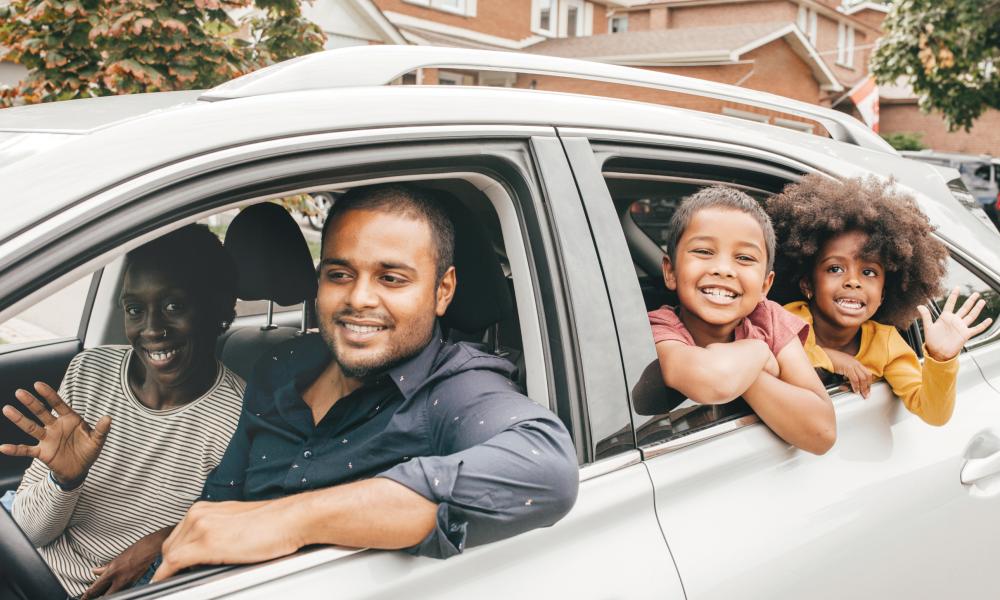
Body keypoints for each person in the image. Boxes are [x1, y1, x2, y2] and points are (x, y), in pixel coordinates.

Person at [149, 184, 579, 582]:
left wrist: (290, 520)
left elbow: (547, 467)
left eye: (391, 278)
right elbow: (222, 501)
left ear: (443, 290)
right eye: (339, 274)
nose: (358, 299)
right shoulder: (280, 366)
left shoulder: (453, 388)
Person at [0, 225, 245, 598]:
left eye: (173, 306)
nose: (151, 328)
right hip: (20, 563)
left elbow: (227, 535)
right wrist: (64, 481)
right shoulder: (90, 371)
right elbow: (29, 531)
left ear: (217, 307)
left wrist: (165, 540)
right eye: (135, 309)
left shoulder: (237, 416)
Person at [767, 175, 993, 426]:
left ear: (884, 293)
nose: (853, 281)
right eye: (835, 269)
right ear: (807, 284)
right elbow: (768, 357)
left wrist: (940, 359)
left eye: (869, 272)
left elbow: (933, 413)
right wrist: (832, 358)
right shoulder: (788, 318)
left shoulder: (884, 344)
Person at [648, 186, 836, 455]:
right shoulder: (660, 328)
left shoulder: (769, 319)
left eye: (744, 258)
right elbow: (711, 380)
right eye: (703, 251)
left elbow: (823, 433)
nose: (723, 269)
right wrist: (758, 352)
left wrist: (748, 372)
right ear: (670, 271)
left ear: (765, 285)